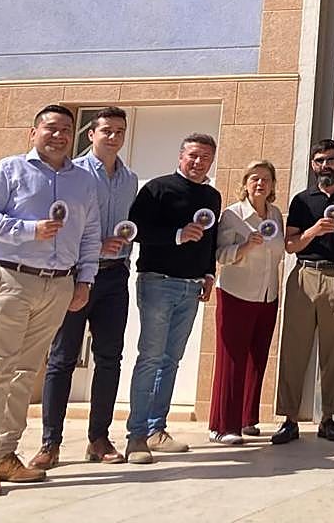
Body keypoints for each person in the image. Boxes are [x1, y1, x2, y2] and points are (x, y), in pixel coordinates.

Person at [0, 104, 101, 497]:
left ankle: (7, 454)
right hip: (11, 278)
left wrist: (84, 280)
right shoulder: (10, 169)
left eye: (66, 130)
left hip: (58, 285)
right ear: (34, 132)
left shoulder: (82, 181)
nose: (59, 136)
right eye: (51, 128)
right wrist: (28, 229)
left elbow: (90, 234)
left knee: (26, 372)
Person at [32, 106, 138, 471]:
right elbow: (64, 225)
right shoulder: (73, 174)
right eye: (107, 130)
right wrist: (95, 247)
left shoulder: (130, 179)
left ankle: (99, 438)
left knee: (109, 359)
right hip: (75, 274)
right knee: (62, 359)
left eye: (120, 131)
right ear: (91, 134)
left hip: (115, 277)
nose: (113, 137)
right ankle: (50, 443)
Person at [124, 132, 221, 463]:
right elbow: (135, 229)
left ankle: (157, 429)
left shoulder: (212, 195)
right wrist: (176, 235)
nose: (198, 162)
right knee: (150, 358)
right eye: (193, 155)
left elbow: (211, 239)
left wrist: (209, 274)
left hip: (192, 287)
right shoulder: (157, 188)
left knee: (171, 361)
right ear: (181, 156)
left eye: (205, 157)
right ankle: (136, 437)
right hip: (158, 282)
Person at [272, 139, 334, 444]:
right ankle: (289, 419)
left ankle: (328, 418)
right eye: (319, 161)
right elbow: (290, 245)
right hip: (304, 275)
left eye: (330, 160)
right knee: (294, 349)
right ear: (313, 165)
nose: (325, 165)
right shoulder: (302, 201)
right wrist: (313, 231)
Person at [209, 160, 285, 444]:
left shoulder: (275, 215)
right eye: (254, 178)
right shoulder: (232, 215)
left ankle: (247, 418)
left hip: (267, 295)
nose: (260, 183)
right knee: (231, 359)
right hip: (236, 294)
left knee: (257, 357)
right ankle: (223, 426)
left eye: (266, 178)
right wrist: (245, 246)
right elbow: (220, 254)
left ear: (273, 184)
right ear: (245, 183)